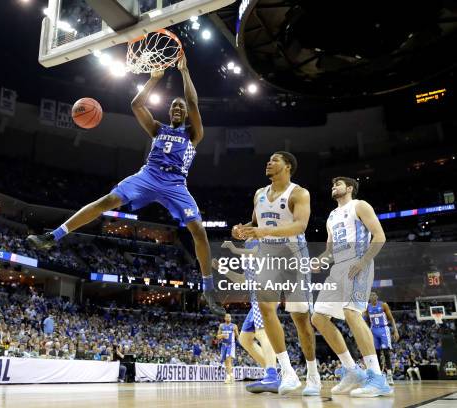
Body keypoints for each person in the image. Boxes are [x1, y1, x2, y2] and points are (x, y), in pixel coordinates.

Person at [26, 53, 224, 315]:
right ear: (169, 111)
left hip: (176, 184)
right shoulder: (157, 128)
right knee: (107, 201)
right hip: (149, 175)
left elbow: (193, 101)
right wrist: (153, 80)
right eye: (173, 106)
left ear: (186, 113)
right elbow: (136, 104)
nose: (177, 108)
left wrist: (185, 72)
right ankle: (53, 236)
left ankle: (208, 287)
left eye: (181, 107)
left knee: (198, 230)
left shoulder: (192, 133)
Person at [232, 152, 320, 395]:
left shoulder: (299, 193)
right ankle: (287, 372)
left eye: (275, 160)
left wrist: (263, 232)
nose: (269, 163)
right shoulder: (259, 194)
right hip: (268, 256)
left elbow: (300, 225)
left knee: (300, 319)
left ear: (288, 166)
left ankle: (313, 375)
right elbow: (255, 224)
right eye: (268, 160)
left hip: (293, 254)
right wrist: (242, 230)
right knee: (265, 306)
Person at [312, 177, 393, 397]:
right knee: (318, 317)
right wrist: (319, 260)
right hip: (338, 267)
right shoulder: (331, 216)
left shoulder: (359, 205)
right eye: (332, 184)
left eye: (338, 184)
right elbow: (329, 251)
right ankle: (352, 370)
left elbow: (379, 236)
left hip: (358, 263)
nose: (333, 186)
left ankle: (377, 378)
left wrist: (363, 261)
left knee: (351, 312)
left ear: (349, 188)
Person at [212, 240, 279, 393]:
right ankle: (274, 373)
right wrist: (221, 268)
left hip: (266, 292)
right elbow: (242, 279)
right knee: (244, 339)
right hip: (257, 296)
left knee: (262, 333)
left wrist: (234, 249)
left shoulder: (259, 241)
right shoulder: (247, 252)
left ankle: (272, 375)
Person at [364, 291, 399, 385]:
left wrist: (395, 331)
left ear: (377, 296)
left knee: (386, 352)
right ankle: (379, 375)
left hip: (383, 329)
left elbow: (391, 319)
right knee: (377, 353)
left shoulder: (383, 305)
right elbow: (366, 321)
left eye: (374, 295)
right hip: (373, 331)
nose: (372, 296)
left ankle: (389, 375)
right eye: (370, 295)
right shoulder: (367, 307)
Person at [217, 313, 238, 384]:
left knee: (228, 360)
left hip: (231, 345)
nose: (228, 318)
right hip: (223, 345)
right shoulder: (221, 326)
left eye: (230, 317)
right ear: (224, 318)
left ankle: (228, 377)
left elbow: (237, 336)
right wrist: (222, 335)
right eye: (227, 317)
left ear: (231, 318)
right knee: (226, 362)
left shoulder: (234, 326)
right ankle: (231, 375)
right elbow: (217, 337)